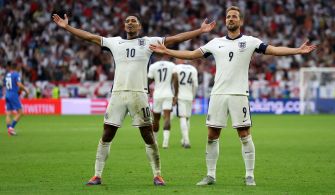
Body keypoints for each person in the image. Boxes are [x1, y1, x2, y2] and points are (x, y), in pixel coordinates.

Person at [150, 6, 317, 186]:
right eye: (228, 16)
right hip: (218, 94)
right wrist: (167, 52)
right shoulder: (215, 43)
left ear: (241, 21)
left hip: (239, 94)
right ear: (225, 21)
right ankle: (210, 175)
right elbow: (192, 54)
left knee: (244, 134)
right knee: (212, 134)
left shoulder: (251, 41)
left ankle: (250, 175)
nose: (231, 19)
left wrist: (297, 51)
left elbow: (274, 49)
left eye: (234, 16)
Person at [52, 13, 215, 186]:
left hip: (139, 94)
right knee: (107, 133)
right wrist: (67, 27)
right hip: (118, 94)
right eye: (127, 21)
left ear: (139, 27)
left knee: (148, 135)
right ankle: (97, 175)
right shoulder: (115, 42)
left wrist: (200, 30)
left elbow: (176, 38)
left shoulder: (148, 42)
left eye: (134, 21)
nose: (130, 23)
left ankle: (157, 174)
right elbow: (89, 36)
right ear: (124, 26)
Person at [148, 58, 176, 149]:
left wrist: (146, 92)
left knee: (156, 119)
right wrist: (175, 95)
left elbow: (148, 81)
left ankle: (154, 141)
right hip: (168, 93)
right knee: (167, 117)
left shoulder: (153, 66)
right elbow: (175, 80)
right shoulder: (171, 65)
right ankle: (165, 143)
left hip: (157, 94)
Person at [172, 59, 198, 149]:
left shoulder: (176, 67)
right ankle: (184, 139)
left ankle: (186, 141)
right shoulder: (193, 69)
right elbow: (196, 85)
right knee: (187, 118)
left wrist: (174, 95)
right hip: (189, 96)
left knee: (182, 117)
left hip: (180, 96)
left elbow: (174, 82)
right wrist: (193, 96)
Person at [4, 62, 29, 136]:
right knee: (21, 112)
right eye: (18, 67)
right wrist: (25, 89)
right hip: (13, 95)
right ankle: (11, 128)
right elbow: (19, 84)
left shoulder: (7, 75)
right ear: (16, 67)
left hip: (7, 94)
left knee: (8, 113)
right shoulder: (16, 74)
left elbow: (9, 85)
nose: (19, 68)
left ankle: (9, 130)